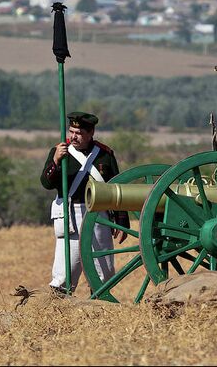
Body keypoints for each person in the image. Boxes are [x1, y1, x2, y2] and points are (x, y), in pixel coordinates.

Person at [40, 111, 128, 295]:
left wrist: (121, 220)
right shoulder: (60, 152)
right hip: (71, 214)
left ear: (91, 133)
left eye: (78, 133)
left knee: (104, 271)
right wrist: (56, 161)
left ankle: (98, 306)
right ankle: (57, 309)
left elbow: (116, 187)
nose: (73, 136)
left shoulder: (105, 155)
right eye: (71, 131)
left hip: (98, 214)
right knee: (65, 273)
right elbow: (46, 183)